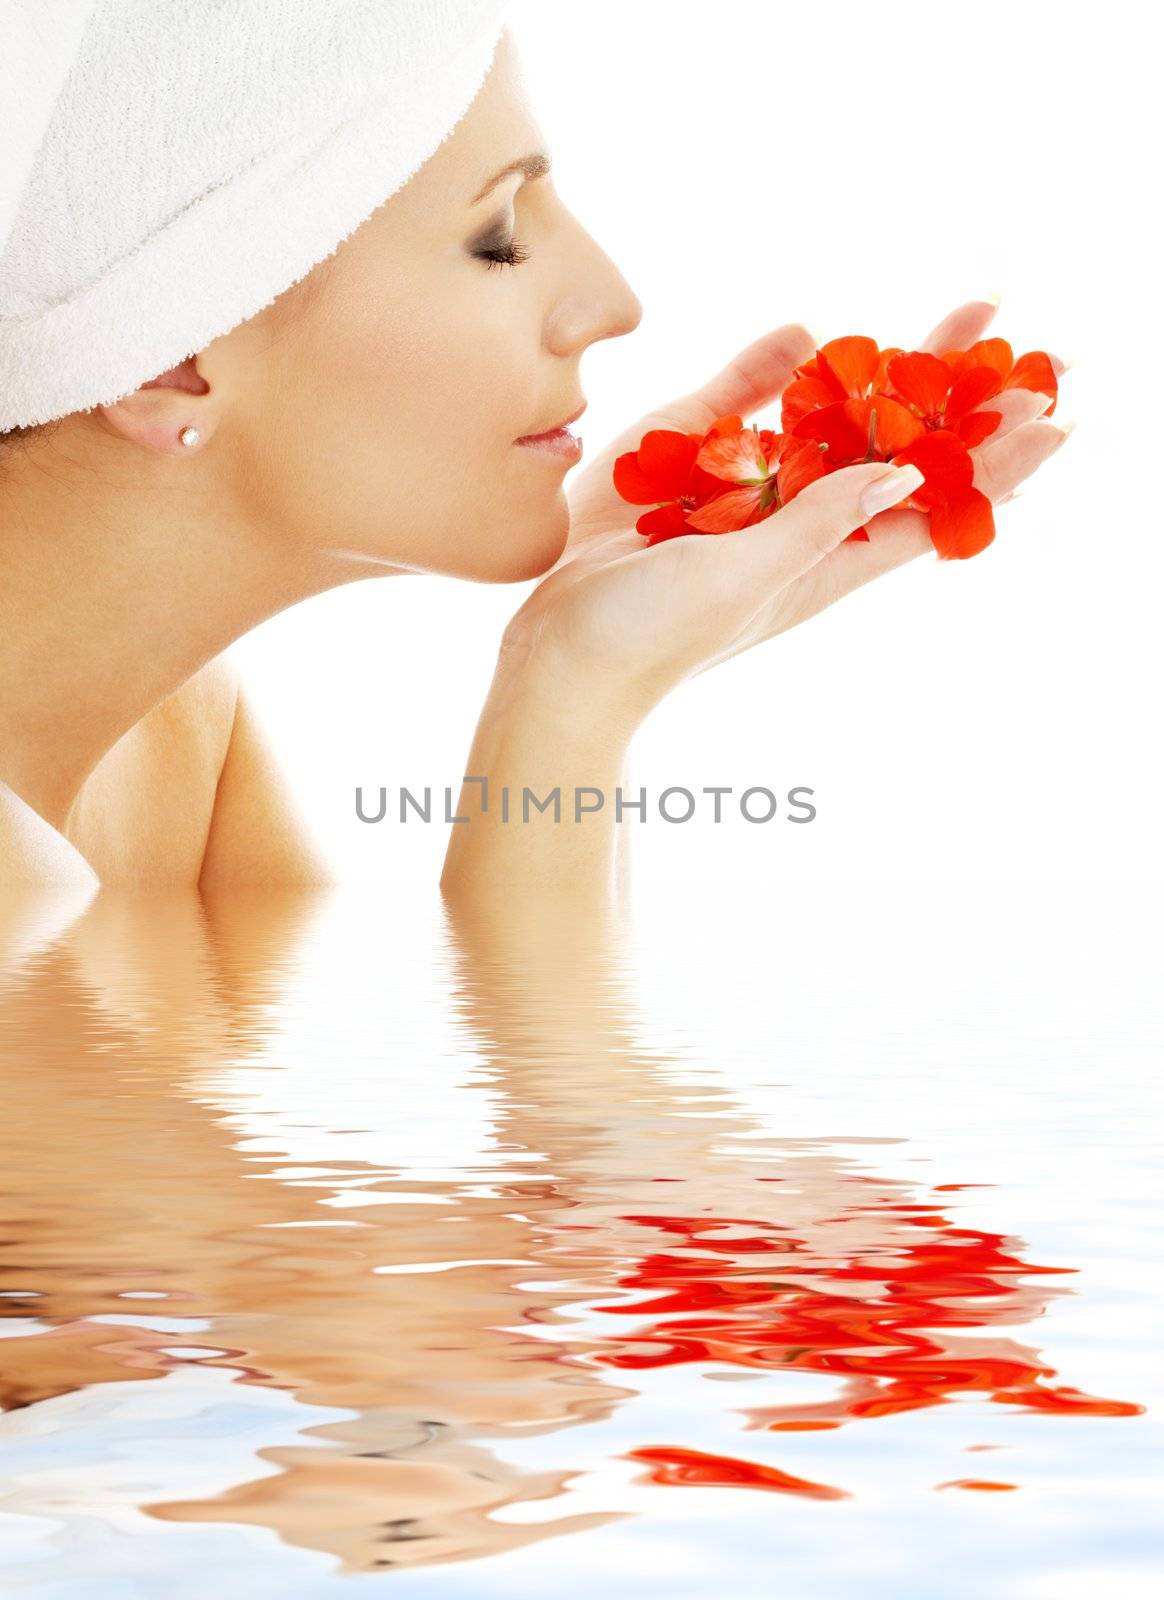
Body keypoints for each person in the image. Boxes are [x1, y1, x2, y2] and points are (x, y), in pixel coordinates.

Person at [0, 6, 1069, 899]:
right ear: (169, 361)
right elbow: (575, 1126)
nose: (614, 303)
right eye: (498, 237)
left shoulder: (181, 739)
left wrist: (574, 680)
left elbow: (511, 1116)